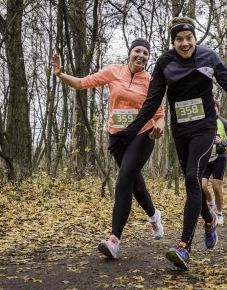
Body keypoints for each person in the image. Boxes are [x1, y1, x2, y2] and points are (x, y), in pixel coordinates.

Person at [118, 17, 227, 270]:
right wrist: (132, 130)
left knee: (192, 179)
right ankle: (209, 220)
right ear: (173, 41)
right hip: (180, 130)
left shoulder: (209, 57)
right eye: (179, 39)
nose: (185, 43)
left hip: (204, 127)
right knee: (193, 184)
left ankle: (184, 247)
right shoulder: (165, 62)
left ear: (194, 38)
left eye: (189, 38)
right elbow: (153, 100)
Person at [51, 38, 165, 260]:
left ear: (148, 58)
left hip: (142, 135)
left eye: (145, 53)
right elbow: (82, 83)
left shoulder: (151, 81)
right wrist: (60, 74)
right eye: (137, 51)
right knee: (134, 182)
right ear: (129, 53)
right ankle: (154, 215)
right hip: (117, 137)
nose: (141, 55)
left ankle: (114, 241)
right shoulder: (114, 71)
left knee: (124, 180)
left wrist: (158, 130)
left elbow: (160, 115)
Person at [201, 102, 227, 225]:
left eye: (214, 107)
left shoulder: (224, 123)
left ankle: (220, 213)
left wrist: (222, 142)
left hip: (220, 157)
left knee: (216, 186)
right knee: (202, 185)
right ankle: (211, 203)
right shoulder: (203, 123)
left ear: (218, 109)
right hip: (206, 157)